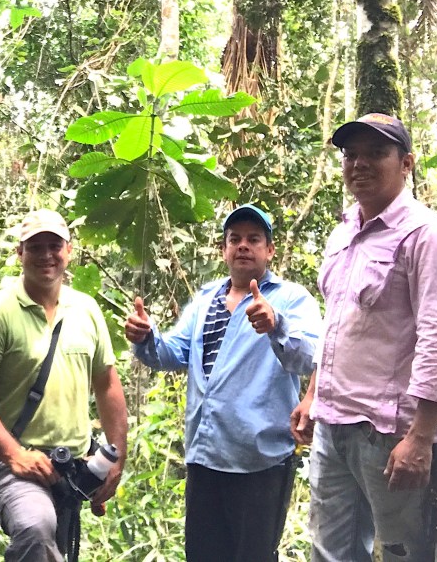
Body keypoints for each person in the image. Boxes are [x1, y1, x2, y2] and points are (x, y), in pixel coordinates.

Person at [289, 113, 437, 562]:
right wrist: (313, 395)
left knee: (401, 554)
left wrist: (422, 436)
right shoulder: (343, 234)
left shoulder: (429, 237)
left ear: (406, 162)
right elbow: (336, 322)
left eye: (376, 153)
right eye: (351, 153)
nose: (360, 163)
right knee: (329, 551)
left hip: (390, 435)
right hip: (333, 427)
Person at [124, 204, 323, 562]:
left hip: (259, 460)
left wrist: (277, 324)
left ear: (270, 249)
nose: (243, 245)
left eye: (253, 239)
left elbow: (311, 357)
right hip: (206, 456)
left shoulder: (291, 299)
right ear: (223, 249)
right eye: (235, 239)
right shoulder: (205, 301)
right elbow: (172, 353)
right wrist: (145, 337)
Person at [0, 208, 128, 562]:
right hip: (10, 463)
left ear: (69, 251)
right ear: (20, 253)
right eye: (35, 247)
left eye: (54, 246)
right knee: (35, 527)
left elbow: (108, 383)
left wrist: (116, 457)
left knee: (57, 543)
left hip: (74, 464)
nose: (46, 255)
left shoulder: (86, 310)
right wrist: (15, 455)